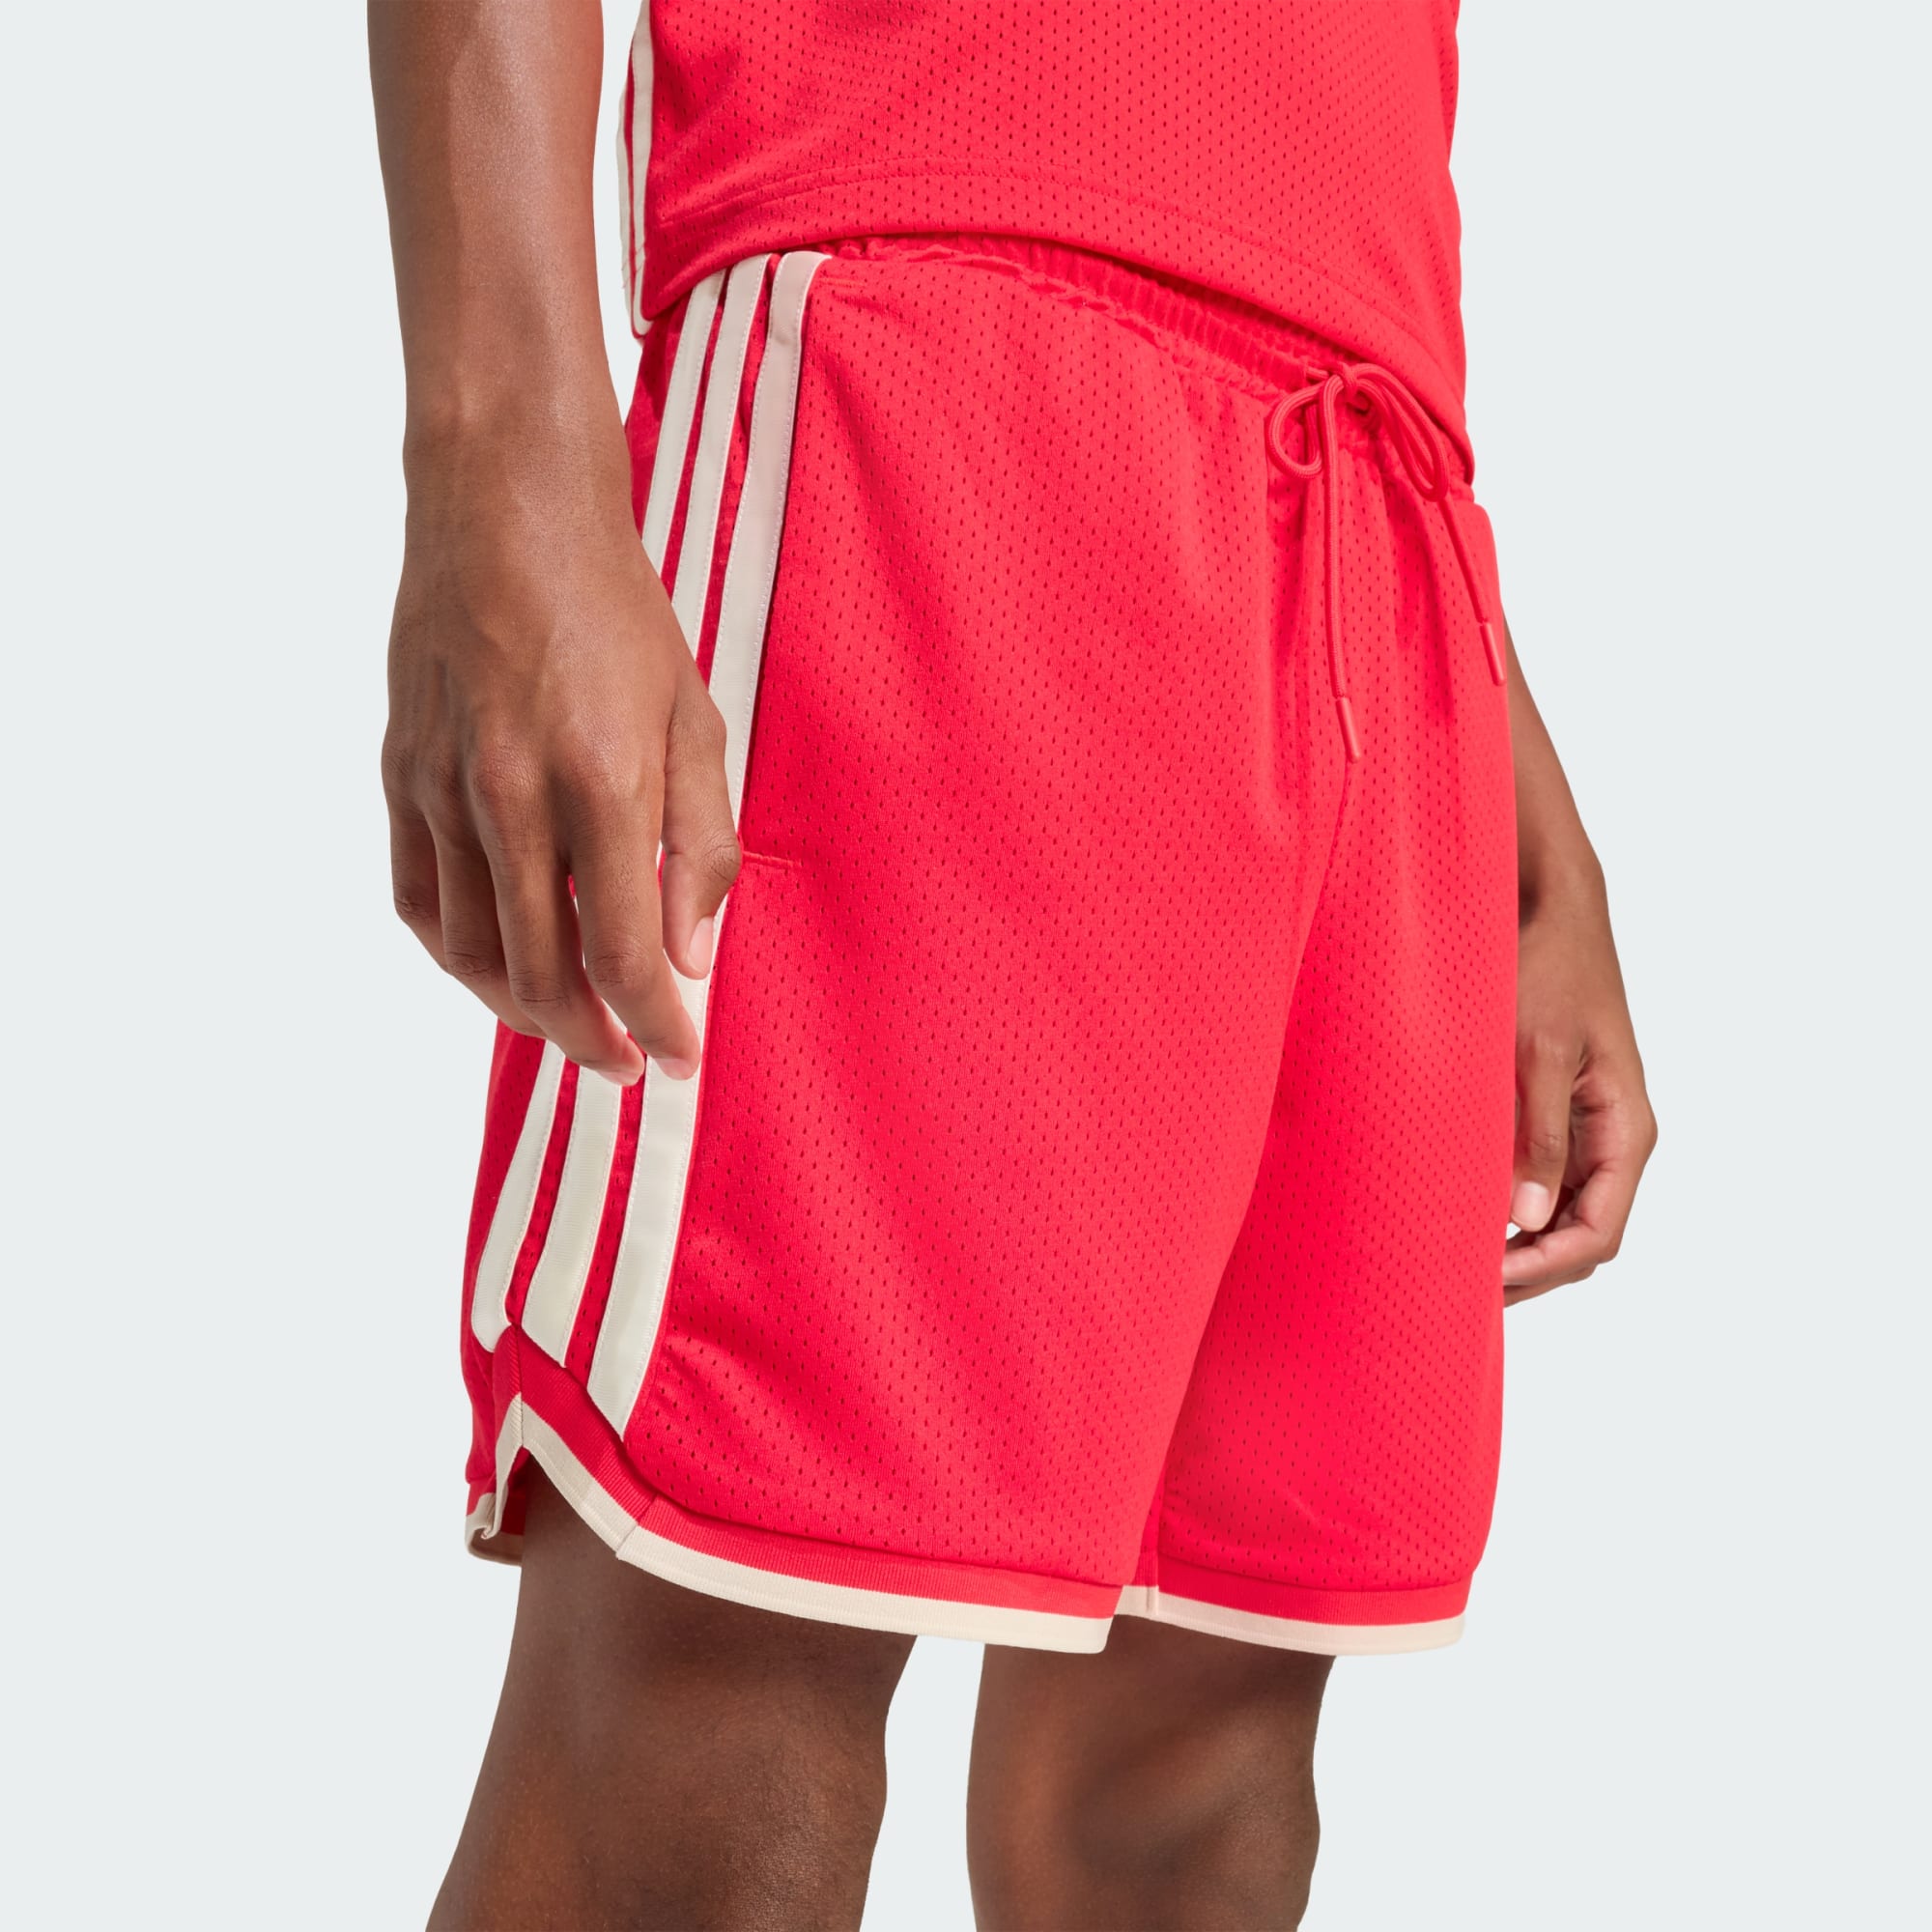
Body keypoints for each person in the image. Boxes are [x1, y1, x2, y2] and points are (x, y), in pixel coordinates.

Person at [370, 3, 1657, 1924]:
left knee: (1201, 1760)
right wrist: (505, 463)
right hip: (922, 379)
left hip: (1375, 526)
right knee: (717, 1703)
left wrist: (1507, 752)